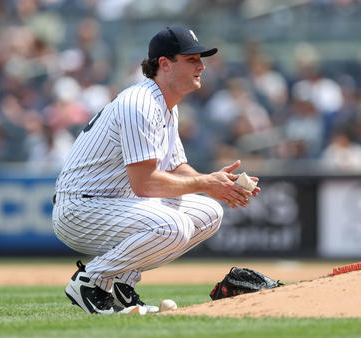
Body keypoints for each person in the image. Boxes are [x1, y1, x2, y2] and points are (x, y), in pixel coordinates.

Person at [52, 26, 260, 314]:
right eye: (191, 59)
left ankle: (122, 283)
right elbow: (145, 184)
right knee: (175, 226)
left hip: (114, 204)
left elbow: (175, 168)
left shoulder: (166, 105)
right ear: (164, 64)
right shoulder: (139, 103)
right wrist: (205, 183)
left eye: (200, 58)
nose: (201, 65)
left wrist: (218, 182)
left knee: (209, 213)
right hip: (80, 209)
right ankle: (92, 280)